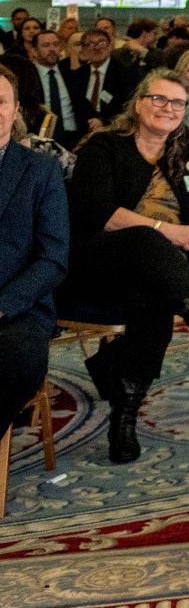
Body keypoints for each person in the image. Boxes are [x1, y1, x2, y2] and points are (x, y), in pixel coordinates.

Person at [62, 69, 189, 462]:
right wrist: (167, 231)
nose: (167, 108)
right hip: (101, 262)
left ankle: (123, 412)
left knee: (150, 296)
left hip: (167, 274)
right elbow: (98, 212)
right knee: (147, 241)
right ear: (138, 103)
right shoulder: (105, 146)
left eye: (177, 103)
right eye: (158, 99)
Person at [0, 67, 68, 434]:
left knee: (14, 360)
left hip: (18, 308)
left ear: (15, 111)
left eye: (1, 102)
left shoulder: (41, 171)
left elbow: (53, 258)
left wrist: (4, 305)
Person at [25, 28, 87, 150]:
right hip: (42, 138)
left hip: (74, 137)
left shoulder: (71, 74)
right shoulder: (29, 77)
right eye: (46, 45)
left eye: (55, 44)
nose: (52, 49)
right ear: (35, 51)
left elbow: (83, 104)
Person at [75, 26, 138, 130]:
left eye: (101, 43)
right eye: (91, 44)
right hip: (83, 128)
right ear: (84, 50)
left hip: (113, 129)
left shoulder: (126, 72)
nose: (96, 48)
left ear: (109, 46)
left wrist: (104, 122)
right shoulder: (78, 75)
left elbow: (128, 108)